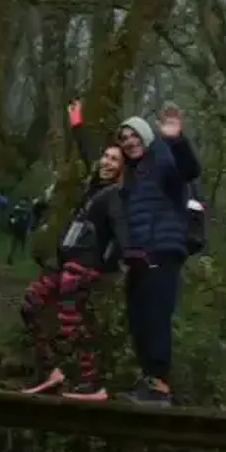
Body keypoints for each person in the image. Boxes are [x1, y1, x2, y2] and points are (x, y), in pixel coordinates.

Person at [20, 101, 128, 401]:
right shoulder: (96, 187)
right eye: (106, 157)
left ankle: (92, 384)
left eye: (114, 160)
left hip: (82, 267)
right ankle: (50, 371)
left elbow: (122, 233)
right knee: (31, 304)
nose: (107, 162)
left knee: (72, 322)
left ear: (123, 169)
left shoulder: (115, 195)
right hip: (64, 263)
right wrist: (78, 126)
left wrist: (109, 263)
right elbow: (92, 157)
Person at [116, 105, 202, 406]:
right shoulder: (131, 175)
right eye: (123, 138)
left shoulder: (162, 158)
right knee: (138, 319)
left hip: (163, 251)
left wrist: (177, 139)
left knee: (155, 319)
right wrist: (77, 128)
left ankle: (159, 386)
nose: (129, 141)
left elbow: (189, 170)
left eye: (134, 135)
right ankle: (149, 382)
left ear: (146, 136)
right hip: (138, 256)